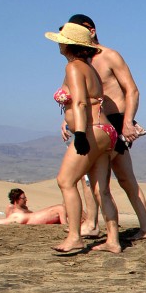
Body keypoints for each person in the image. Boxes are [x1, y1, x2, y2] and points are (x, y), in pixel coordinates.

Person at [65, 14, 146, 243]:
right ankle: (141, 228)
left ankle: (96, 226)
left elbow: (132, 91)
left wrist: (128, 122)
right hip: (95, 122)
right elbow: (79, 97)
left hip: (115, 121)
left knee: (94, 176)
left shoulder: (109, 56)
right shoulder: (82, 62)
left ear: (91, 31)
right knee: (122, 178)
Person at [46, 23, 121, 254]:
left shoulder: (74, 68)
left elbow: (79, 101)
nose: (58, 43)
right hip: (105, 130)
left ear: (69, 45)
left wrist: (79, 133)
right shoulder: (90, 68)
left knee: (66, 181)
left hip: (91, 129)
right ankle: (113, 241)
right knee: (102, 190)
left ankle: (74, 237)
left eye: (61, 39)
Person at [0, 188, 68, 225]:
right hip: (20, 220)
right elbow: (8, 221)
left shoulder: (25, 209)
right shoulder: (11, 207)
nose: (26, 200)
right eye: (23, 198)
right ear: (16, 199)